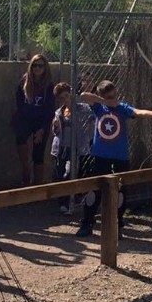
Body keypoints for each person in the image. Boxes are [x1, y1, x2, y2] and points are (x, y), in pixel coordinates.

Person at [76, 80, 152, 238]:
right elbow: (83, 95)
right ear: (102, 96)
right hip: (100, 156)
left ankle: (117, 225)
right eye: (110, 96)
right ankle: (87, 223)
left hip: (120, 157)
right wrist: (105, 102)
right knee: (94, 190)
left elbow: (138, 112)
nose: (114, 98)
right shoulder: (99, 107)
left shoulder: (122, 108)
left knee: (120, 192)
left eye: (115, 95)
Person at [50, 82, 94, 214]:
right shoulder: (59, 112)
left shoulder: (82, 108)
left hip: (78, 146)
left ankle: (75, 198)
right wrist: (55, 126)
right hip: (62, 147)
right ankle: (63, 201)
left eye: (67, 95)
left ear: (71, 95)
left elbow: (93, 116)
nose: (65, 99)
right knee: (60, 173)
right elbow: (56, 132)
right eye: (62, 98)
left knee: (74, 171)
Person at [13, 54, 55, 186]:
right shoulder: (24, 81)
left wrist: (42, 130)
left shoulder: (48, 85)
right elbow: (19, 102)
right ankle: (26, 169)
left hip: (41, 121)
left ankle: (38, 186)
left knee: (38, 154)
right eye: (35, 65)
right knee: (20, 138)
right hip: (25, 119)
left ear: (45, 68)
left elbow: (49, 110)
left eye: (40, 66)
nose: (37, 68)